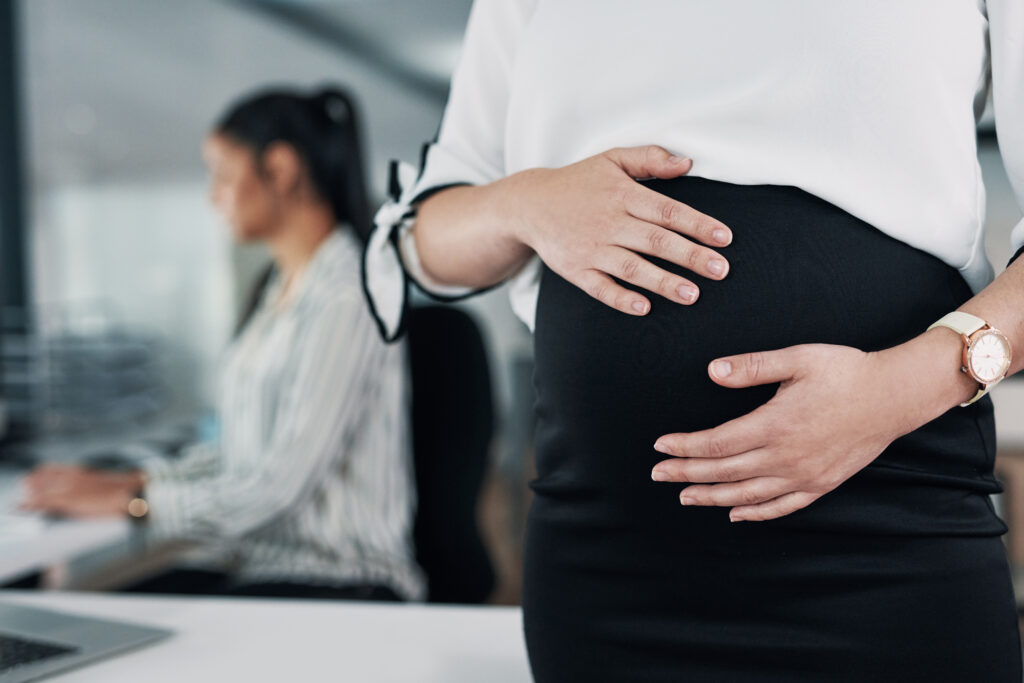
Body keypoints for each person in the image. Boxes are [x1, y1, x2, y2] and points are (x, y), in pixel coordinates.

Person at [362, 1, 1024, 680]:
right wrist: (523, 203)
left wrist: (900, 388)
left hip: (886, 542)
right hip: (607, 568)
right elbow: (418, 240)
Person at [21, 87, 426, 602]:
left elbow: (278, 487)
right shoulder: (279, 291)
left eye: (221, 173)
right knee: (91, 612)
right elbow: (241, 453)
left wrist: (138, 501)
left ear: (279, 168)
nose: (213, 195)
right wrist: (128, 481)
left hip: (341, 579)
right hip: (263, 564)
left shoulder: (347, 294)